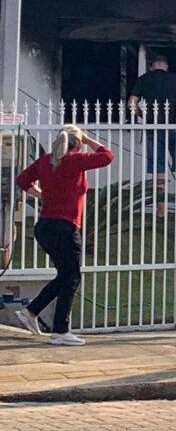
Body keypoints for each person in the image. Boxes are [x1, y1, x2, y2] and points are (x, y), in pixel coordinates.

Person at [14, 125, 114, 345]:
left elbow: (22, 180)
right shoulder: (75, 160)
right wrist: (88, 139)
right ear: (76, 143)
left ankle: (30, 312)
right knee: (72, 277)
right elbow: (107, 156)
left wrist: (42, 196)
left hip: (45, 227)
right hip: (65, 227)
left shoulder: (46, 161)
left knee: (65, 275)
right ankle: (60, 330)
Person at [129, 54, 176, 218]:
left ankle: (161, 210)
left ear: (151, 66)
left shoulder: (144, 79)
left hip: (154, 128)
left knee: (159, 171)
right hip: (175, 127)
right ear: (166, 66)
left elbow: (131, 103)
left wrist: (144, 116)